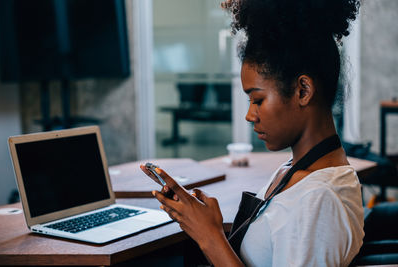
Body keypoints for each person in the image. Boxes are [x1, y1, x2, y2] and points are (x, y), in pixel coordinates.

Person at [141, 0, 364, 266]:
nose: (250, 115)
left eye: (257, 100)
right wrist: (209, 223)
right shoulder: (295, 171)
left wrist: (210, 236)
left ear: (303, 91)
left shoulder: (318, 200)